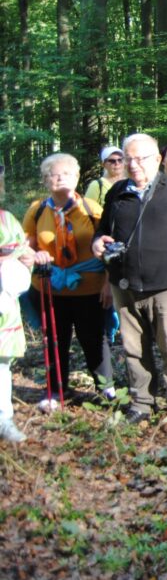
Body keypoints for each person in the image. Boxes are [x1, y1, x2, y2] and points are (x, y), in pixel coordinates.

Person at [91, 133, 167, 427]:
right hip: (125, 284)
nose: (132, 164)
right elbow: (103, 230)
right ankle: (142, 402)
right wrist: (97, 242)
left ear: (156, 159)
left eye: (140, 158)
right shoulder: (117, 192)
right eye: (128, 158)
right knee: (133, 347)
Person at [24, 153, 114, 410]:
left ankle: (105, 388)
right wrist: (35, 254)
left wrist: (109, 283)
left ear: (76, 178)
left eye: (66, 173)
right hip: (49, 288)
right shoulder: (37, 209)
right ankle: (55, 390)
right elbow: (23, 246)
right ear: (45, 180)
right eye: (54, 174)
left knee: (94, 338)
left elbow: (109, 249)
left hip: (90, 288)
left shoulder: (92, 209)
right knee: (54, 339)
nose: (60, 177)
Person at [1, 164, 33, 441]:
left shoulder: (7, 219)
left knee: (0, 366)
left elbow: (22, 253)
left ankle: (3, 420)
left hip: (3, 303)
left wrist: (27, 260)